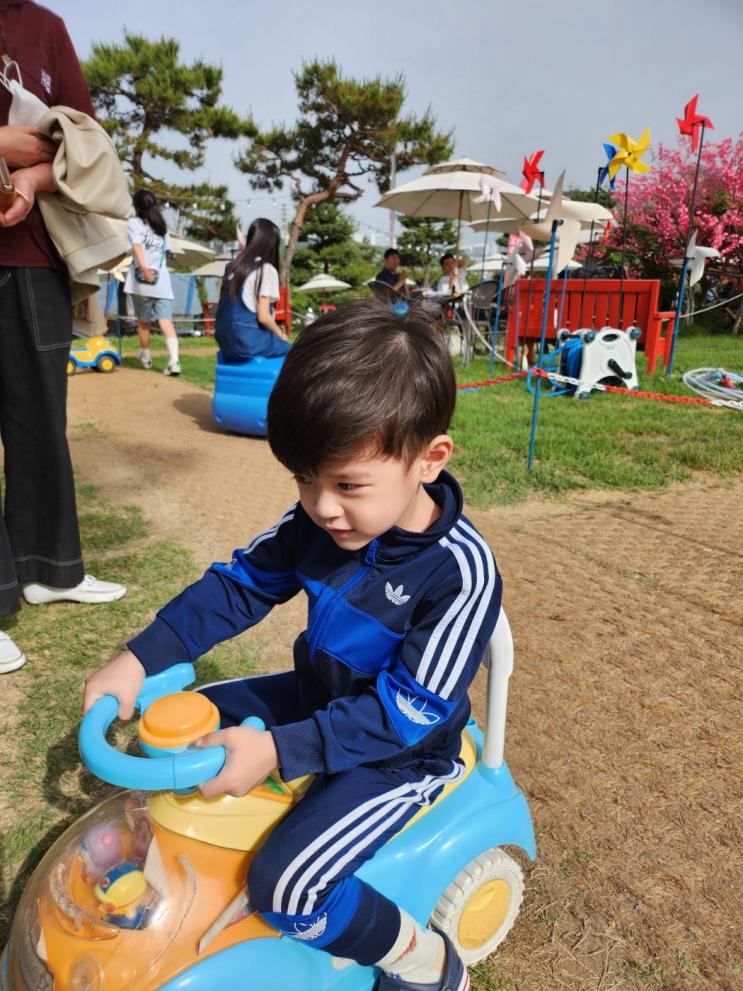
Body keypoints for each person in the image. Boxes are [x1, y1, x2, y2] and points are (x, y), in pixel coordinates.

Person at [83, 299, 501, 991]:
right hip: (317, 694)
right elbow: (240, 586)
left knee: (289, 886)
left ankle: (425, 964)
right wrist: (140, 656)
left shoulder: (459, 572)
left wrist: (279, 748)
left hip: (398, 753)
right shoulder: (319, 521)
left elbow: (409, 713)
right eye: (304, 480)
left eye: (346, 484)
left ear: (429, 460)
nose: (321, 505)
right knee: (182, 726)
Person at [0, 0, 126, 675]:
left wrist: (34, 174)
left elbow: (88, 141)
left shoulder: (45, 26)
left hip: (36, 255)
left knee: (42, 421)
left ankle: (51, 568)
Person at [215, 217, 290, 363]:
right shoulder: (265, 269)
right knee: (295, 353)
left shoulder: (232, 267)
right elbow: (264, 317)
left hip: (225, 342)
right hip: (249, 341)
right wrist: (281, 335)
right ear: (272, 244)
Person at [124, 190, 180, 376]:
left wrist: (143, 266)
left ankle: (146, 358)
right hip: (162, 283)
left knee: (144, 323)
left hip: (141, 283)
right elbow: (169, 253)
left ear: (137, 206)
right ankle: (174, 361)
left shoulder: (134, 223)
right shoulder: (161, 225)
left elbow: (137, 244)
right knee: (166, 323)